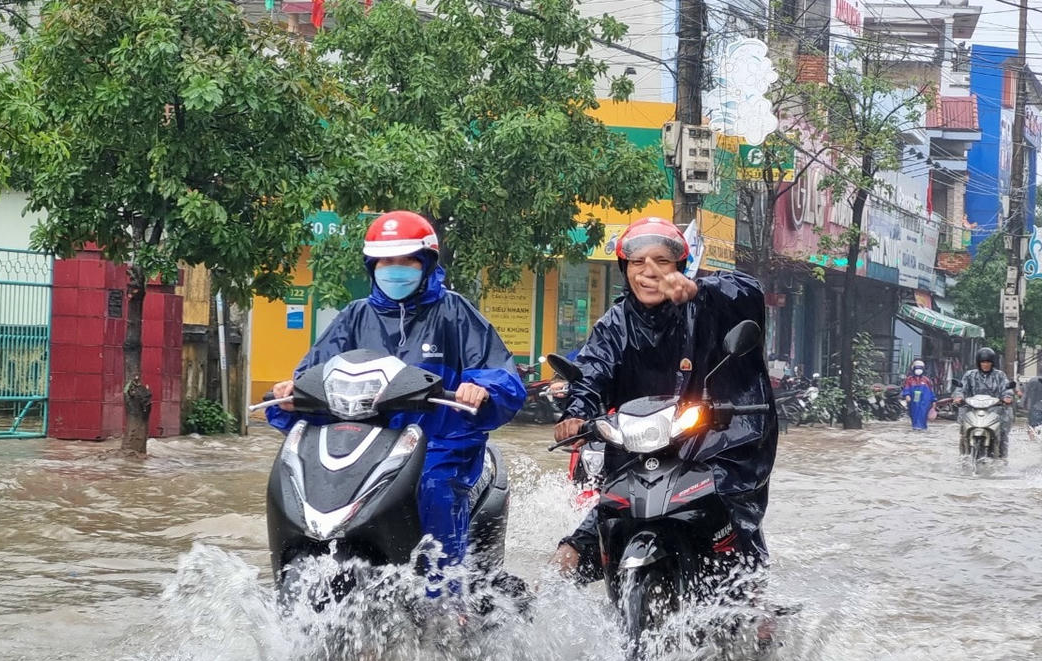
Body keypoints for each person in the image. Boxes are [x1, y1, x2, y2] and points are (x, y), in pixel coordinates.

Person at [268, 211, 526, 596]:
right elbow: (315, 372)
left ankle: (446, 600)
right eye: (386, 262)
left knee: (434, 486)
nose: (395, 270)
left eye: (406, 261)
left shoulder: (454, 313)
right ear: (373, 266)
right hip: (365, 444)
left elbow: (500, 372)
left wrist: (481, 387)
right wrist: (292, 392)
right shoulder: (355, 316)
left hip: (439, 444)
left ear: (426, 264)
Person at [550, 216, 778, 588]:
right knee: (567, 558)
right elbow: (591, 371)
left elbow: (748, 294)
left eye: (661, 262)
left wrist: (699, 290)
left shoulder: (705, 305)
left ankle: (754, 607)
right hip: (638, 458)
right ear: (626, 270)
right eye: (638, 263)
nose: (648, 272)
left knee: (734, 524)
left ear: (681, 268)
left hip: (709, 452)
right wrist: (576, 415)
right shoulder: (614, 324)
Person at [953, 346, 1014, 457]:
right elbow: (961, 388)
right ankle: (963, 455)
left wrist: (1007, 397)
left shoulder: (1000, 375)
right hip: (972, 409)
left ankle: (1002, 458)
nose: (985, 365)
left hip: (994, 411)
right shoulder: (970, 375)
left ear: (992, 363)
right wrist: (958, 397)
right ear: (978, 363)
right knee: (963, 433)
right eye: (983, 362)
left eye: (988, 362)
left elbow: (1007, 389)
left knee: (1003, 434)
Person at [900, 359, 936, 430]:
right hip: (913, 402)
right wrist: (907, 395)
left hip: (924, 402)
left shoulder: (926, 380)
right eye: (917, 368)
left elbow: (931, 391)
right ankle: (915, 428)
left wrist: (934, 401)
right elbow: (906, 388)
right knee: (914, 414)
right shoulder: (909, 379)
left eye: (920, 368)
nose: (918, 370)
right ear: (913, 369)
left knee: (923, 415)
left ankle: (922, 429)